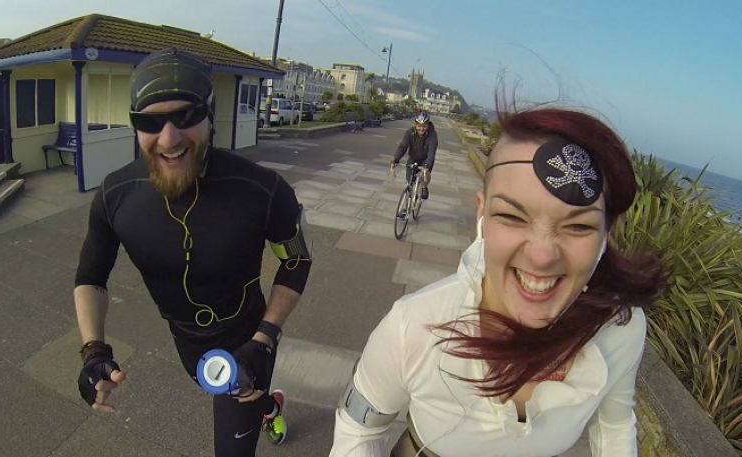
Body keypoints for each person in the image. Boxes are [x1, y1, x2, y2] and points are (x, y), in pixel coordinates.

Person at [330, 106, 666, 456]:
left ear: (605, 236)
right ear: (483, 215)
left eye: (578, 226)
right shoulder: (414, 327)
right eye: (512, 216)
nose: (542, 255)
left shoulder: (619, 329)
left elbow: (615, 428)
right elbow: (359, 428)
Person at [72, 48, 312, 457]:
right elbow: (91, 277)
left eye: (185, 116)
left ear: (210, 116)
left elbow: (297, 259)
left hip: (248, 338)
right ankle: (270, 406)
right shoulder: (114, 195)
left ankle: (262, 403)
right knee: (228, 394)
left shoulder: (262, 190)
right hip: (186, 342)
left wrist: (266, 339)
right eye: (150, 122)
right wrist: (92, 349)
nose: (169, 139)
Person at [391, 111, 438, 200]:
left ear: (428, 125)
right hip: (413, 158)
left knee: (425, 176)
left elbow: (432, 151)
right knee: (409, 182)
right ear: (416, 125)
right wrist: (396, 159)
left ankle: (424, 187)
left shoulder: (432, 135)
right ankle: (408, 199)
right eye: (419, 126)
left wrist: (427, 165)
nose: (421, 129)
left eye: (424, 126)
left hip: (425, 159)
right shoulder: (410, 132)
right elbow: (403, 146)